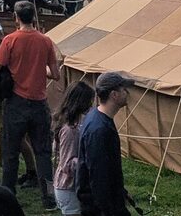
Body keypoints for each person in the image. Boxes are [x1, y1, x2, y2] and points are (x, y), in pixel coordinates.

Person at [0, 1, 60, 209]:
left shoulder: (10, 40)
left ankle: (7, 197)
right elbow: (55, 74)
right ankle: (48, 199)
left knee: (11, 153)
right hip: (39, 104)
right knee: (43, 153)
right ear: (34, 16)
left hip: (16, 103)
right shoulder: (46, 41)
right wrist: (40, 71)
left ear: (16, 17)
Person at [76, 72, 136, 216]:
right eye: (124, 90)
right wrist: (108, 209)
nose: (127, 93)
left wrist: (122, 192)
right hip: (100, 207)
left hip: (108, 201)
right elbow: (98, 174)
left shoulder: (100, 118)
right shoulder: (99, 129)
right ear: (114, 95)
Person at [53, 81, 96, 216]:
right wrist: (89, 162)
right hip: (68, 187)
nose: (91, 105)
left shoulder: (74, 125)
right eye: (89, 101)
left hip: (69, 187)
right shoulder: (70, 130)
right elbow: (67, 164)